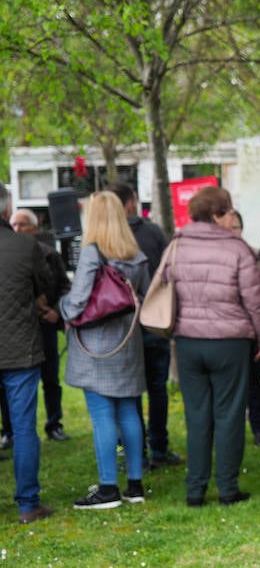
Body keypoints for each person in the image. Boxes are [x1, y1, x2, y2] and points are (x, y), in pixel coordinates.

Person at [164, 186, 260, 506]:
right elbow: (255, 301)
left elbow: (163, 288)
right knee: (229, 414)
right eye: (227, 211)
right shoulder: (238, 249)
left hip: (188, 341)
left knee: (197, 415)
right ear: (216, 215)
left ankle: (195, 489)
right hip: (230, 342)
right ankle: (227, 487)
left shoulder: (176, 246)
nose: (230, 217)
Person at [58, 191, 151, 509]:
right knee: (129, 412)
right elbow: (146, 296)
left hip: (96, 345)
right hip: (127, 342)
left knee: (102, 416)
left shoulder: (92, 251)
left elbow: (79, 299)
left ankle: (109, 489)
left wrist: (63, 308)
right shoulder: (136, 255)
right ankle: (135, 486)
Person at [107, 183, 181, 470]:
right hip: (153, 322)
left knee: (130, 392)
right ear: (129, 203)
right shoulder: (152, 232)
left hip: (122, 328)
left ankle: (136, 451)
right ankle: (160, 447)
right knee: (157, 388)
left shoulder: (106, 238)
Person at [0, 182, 53, 524]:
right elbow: (45, 284)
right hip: (20, 350)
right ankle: (27, 504)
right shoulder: (26, 246)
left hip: (18, 348)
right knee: (23, 429)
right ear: (7, 210)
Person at [9, 208, 71, 442]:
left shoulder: (48, 254)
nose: (17, 229)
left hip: (44, 325)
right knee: (12, 382)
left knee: (51, 377)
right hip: (17, 328)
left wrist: (56, 310)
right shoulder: (7, 255)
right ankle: (10, 431)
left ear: (35, 228)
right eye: (13, 224)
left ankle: (54, 423)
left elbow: (64, 286)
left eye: (23, 224)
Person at [231, 210, 260, 447]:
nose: (232, 231)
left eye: (236, 227)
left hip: (249, 328)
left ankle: (259, 427)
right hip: (227, 331)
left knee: (255, 382)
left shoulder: (253, 255)